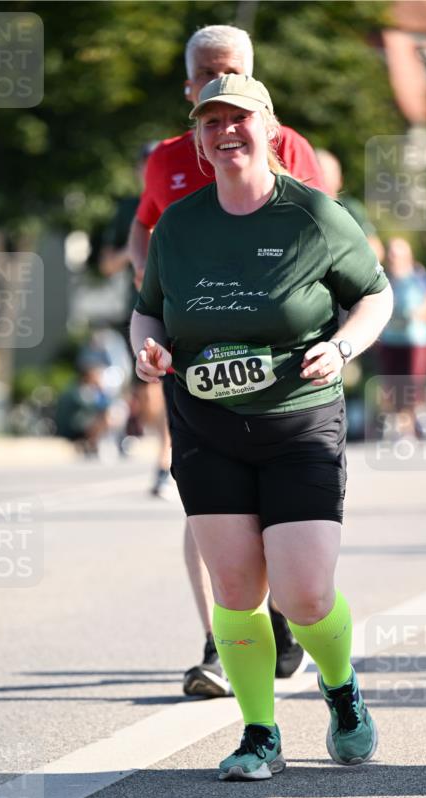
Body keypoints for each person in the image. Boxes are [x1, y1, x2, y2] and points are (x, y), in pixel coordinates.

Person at [131, 74, 393, 780]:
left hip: (298, 421)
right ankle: (258, 733)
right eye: (209, 122)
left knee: (303, 594)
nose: (225, 132)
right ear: (196, 138)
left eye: (238, 119)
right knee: (236, 590)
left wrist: (339, 347)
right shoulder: (179, 225)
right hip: (204, 422)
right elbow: (148, 308)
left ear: (268, 127)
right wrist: (146, 349)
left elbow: (374, 294)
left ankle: (341, 691)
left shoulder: (312, 215)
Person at [129, 24, 327, 699]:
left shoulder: (291, 149)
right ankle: (220, 644)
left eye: (234, 74)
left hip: (279, 375)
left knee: (274, 519)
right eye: (207, 78)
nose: (221, 88)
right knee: (206, 509)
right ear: (188, 89)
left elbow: (318, 243)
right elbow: (146, 226)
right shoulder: (166, 160)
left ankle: (285, 618)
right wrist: (150, 308)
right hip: (197, 367)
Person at [99, 143, 173, 492]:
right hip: (140, 309)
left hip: (179, 305)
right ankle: (161, 448)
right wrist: (137, 248)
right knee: (148, 393)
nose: (148, 171)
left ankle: (165, 462)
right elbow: (105, 264)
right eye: (143, 166)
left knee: (166, 386)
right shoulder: (128, 209)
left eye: (154, 164)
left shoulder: (182, 196)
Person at [377, 237, 426, 439]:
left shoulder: (419, 277)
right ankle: (404, 425)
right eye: (391, 254)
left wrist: (422, 313)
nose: (394, 258)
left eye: (398, 254)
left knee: (413, 383)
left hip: (416, 340)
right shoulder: (383, 278)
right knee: (393, 385)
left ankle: (417, 421)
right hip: (390, 340)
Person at [315, 148, 384, 262]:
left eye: (325, 173)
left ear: (340, 180)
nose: (321, 178)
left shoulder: (351, 208)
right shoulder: (300, 209)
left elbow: (376, 250)